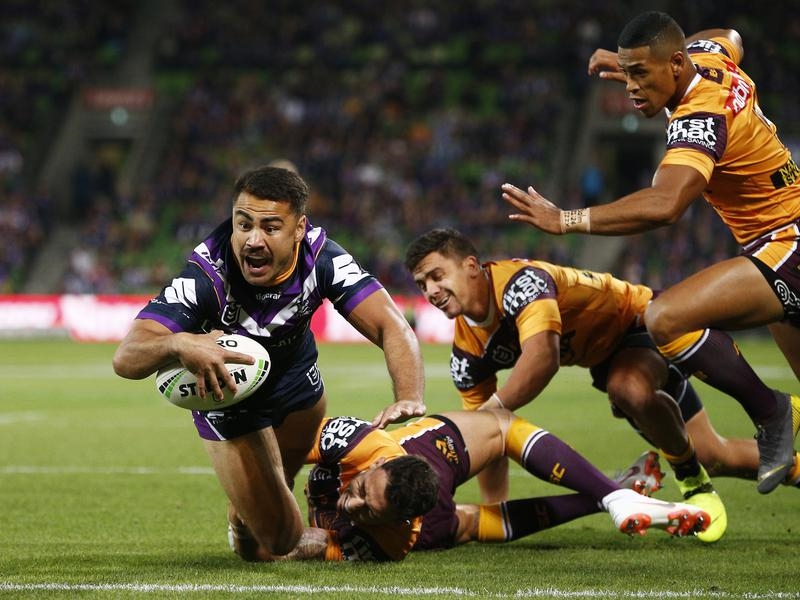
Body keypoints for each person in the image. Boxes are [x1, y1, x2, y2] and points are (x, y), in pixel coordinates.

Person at [500, 11, 800, 495]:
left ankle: (771, 411)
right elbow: (730, 36)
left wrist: (565, 219)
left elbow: (665, 205)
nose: (631, 88)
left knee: (664, 318)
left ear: (676, 66)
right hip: (778, 239)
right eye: (628, 74)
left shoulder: (700, 116)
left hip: (787, 241)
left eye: (641, 74)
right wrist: (636, 61)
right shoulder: (709, 59)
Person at [404, 228, 800, 543]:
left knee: (627, 388)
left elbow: (543, 357)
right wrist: (497, 508)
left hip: (645, 321)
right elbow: (486, 436)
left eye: (438, 275)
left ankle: (691, 477)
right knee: (715, 454)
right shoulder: (466, 354)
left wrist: (494, 409)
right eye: (422, 284)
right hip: (609, 361)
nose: (431, 291)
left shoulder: (521, 283)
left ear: (471, 266)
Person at [112, 165, 426, 557]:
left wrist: (408, 394)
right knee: (278, 541)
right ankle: (245, 520)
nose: (253, 240)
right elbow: (126, 357)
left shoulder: (322, 258)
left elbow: (391, 325)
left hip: (298, 386)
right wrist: (180, 343)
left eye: (270, 227)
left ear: (299, 229)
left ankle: (257, 506)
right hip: (232, 401)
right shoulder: (208, 274)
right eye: (243, 224)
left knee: (282, 487)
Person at [227, 410, 708, 562]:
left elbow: (296, 546)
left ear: (397, 521)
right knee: (501, 427)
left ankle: (614, 495)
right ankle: (614, 493)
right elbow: (283, 447)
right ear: (376, 466)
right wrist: (262, 491)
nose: (352, 507)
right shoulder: (361, 443)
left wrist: (247, 527)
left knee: (471, 522)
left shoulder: (393, 541)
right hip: (428, 451)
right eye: (360, 493)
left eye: (368, 511)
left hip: (429, 517)